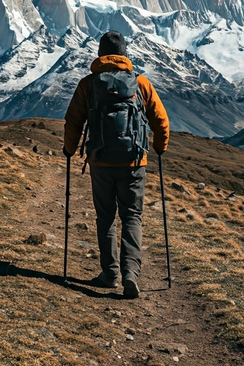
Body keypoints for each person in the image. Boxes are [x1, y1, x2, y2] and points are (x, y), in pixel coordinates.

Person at [63, 31, 169, 299]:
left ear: (100, 53)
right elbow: (160, 120)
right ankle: (130, 274)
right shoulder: (140, 83)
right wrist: (159, 147)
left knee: (106, 217)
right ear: (125, 54)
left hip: (101, 161)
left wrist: (69, 149)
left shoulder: (88, 84)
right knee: (132, 216)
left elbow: (74, 121)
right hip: (134, 161)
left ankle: (109, 273)